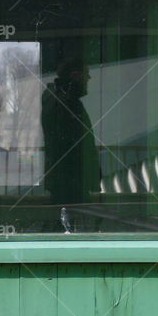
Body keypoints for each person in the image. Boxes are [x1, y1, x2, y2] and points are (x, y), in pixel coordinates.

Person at [40, 58, 101, 230]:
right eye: (86, 75)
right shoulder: (64, 102)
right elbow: (68, 143)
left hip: (68, 176)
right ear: (75, 76)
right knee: (66, 221)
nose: (89, 79)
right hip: (69, 177)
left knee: (65, 220)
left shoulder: (58, 99)